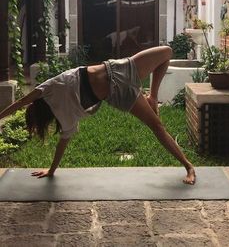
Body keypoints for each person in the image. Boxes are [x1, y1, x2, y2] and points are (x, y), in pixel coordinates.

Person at [0, 46, 196, 185]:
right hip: (119, 87)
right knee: (158, 125)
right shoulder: (50, 94)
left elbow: (60, 144)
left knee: (166, 55)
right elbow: (20, 103)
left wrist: (51, 171)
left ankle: (153, 97)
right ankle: (188, 166)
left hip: (120, 68)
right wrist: (51, 171)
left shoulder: (58, 108)